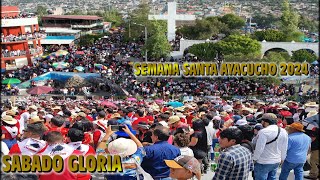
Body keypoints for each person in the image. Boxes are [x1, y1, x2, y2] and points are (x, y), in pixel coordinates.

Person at [253, 113, 288, 180]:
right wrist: (283, 158)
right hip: (276, 160)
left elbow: (259, 148)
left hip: (263, 161)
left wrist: (254, 159)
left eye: (262, 121)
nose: (261, 123)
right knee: (272, 178)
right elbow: (284, 147)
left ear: (265, 122)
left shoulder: (264, 132)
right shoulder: (283, 131)